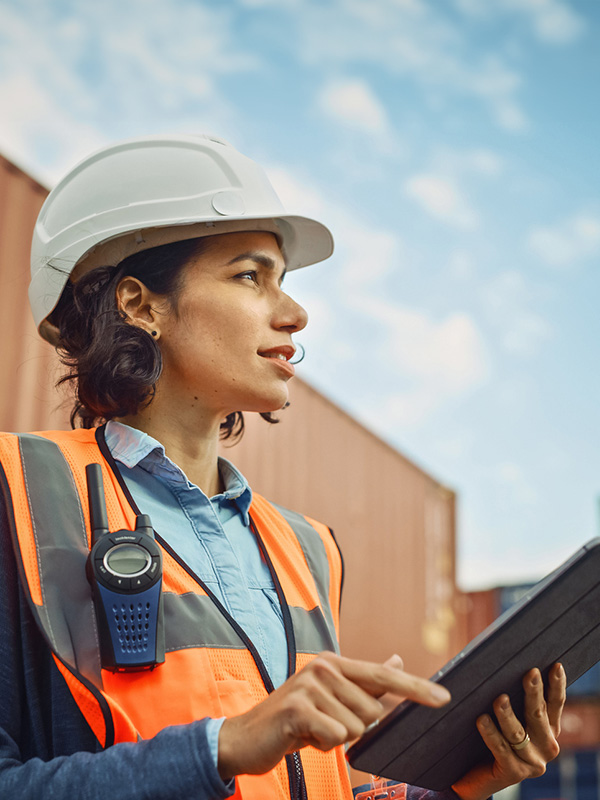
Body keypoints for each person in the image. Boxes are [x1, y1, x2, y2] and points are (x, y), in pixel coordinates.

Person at [0, 134, 565, 800]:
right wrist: (226, 745)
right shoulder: (19, 492)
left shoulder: (306, 548)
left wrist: (461, 785)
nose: (296, 315)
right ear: (139, 304)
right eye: (250, 275)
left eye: (284, 283)